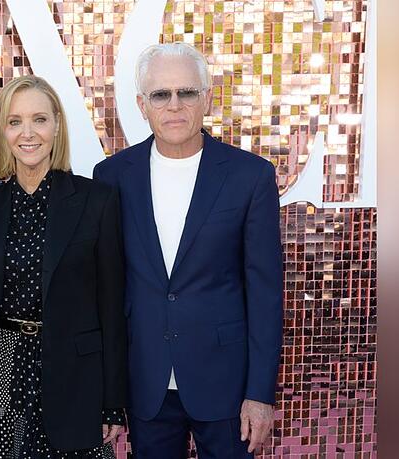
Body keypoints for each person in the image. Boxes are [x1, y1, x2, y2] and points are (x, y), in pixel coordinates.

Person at [93, 42, 284, 458]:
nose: (174, 105)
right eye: (161, 94)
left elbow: (265, 293)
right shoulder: (111, 177)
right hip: (146, 381)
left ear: (207, 98)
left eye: (187, 92)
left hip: (228, 385)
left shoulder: (250, 177)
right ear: (143, 105)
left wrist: (260, 394)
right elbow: (105, 284)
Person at [0, 75, 128, 458]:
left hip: (76, 380)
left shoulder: (96, 201)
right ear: (2, 132)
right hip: (1, 375)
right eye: (14, 121)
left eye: (39, 119)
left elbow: (112, 309)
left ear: (56, 126)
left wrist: (113, 402)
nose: (27, 133)